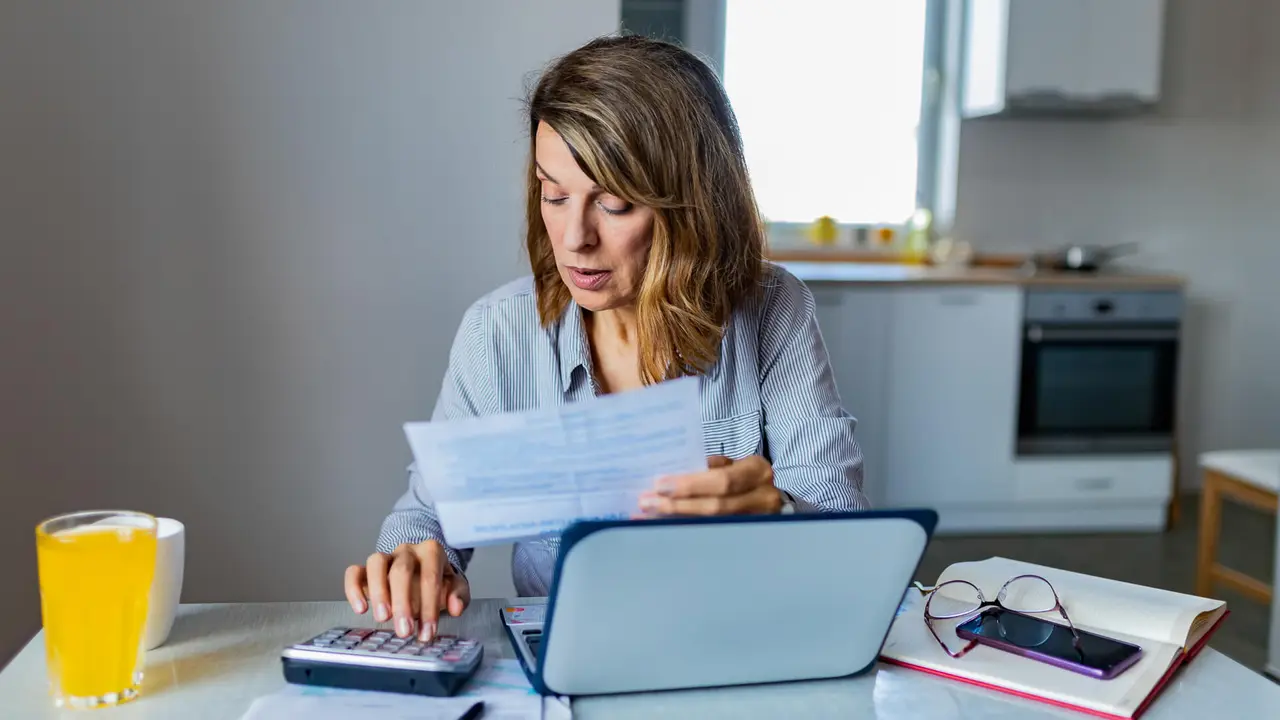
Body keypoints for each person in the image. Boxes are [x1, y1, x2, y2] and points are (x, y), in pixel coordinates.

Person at [344, 35, 868, 643]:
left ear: (693, 206)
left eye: (614, 204)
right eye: (554, 194)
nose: (573, 238)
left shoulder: (773, 309)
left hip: (733, 644)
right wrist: (414, 561)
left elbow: (846, 532)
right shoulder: (498, 336)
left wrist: (775, 515)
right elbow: (427, 511)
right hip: (563, 657)